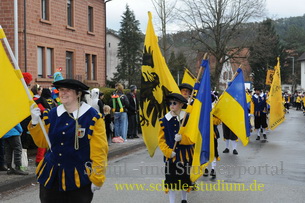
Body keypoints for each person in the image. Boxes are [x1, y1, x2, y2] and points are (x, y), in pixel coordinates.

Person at [29, 79, 108, 203]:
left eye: (68, 90)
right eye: (61, 90)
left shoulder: (92, 117)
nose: (63, 93)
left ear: (78, 94)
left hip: (78, 179)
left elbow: (99, 151)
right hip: (51, 177)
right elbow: (42, 142)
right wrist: (35, 122)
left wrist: (97, 177)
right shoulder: (52, 114)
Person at [158, 93, 193, 203]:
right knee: (171, 180)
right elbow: (161, 140)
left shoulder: (187, 119)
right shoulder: (163, 121)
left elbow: (193, 138)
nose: (172, 105)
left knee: (184, 179)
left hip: (184, 155)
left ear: (181, 105)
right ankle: (172, 201)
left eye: (175, 103)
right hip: (171, 157)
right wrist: (168, 152)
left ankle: (184, 199)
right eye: (170, 103)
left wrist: (182, 138)